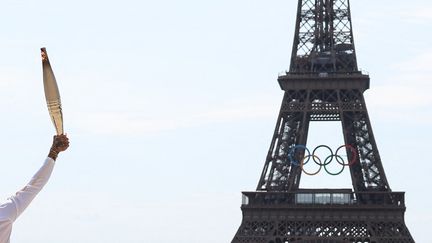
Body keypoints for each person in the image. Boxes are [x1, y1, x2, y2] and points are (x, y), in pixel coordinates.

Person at [0, 135, 69, 243]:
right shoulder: (4, 214)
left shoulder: (3, 214)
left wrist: (53, 153)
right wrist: (53, 153)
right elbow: (34, 186)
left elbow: (34, 185)